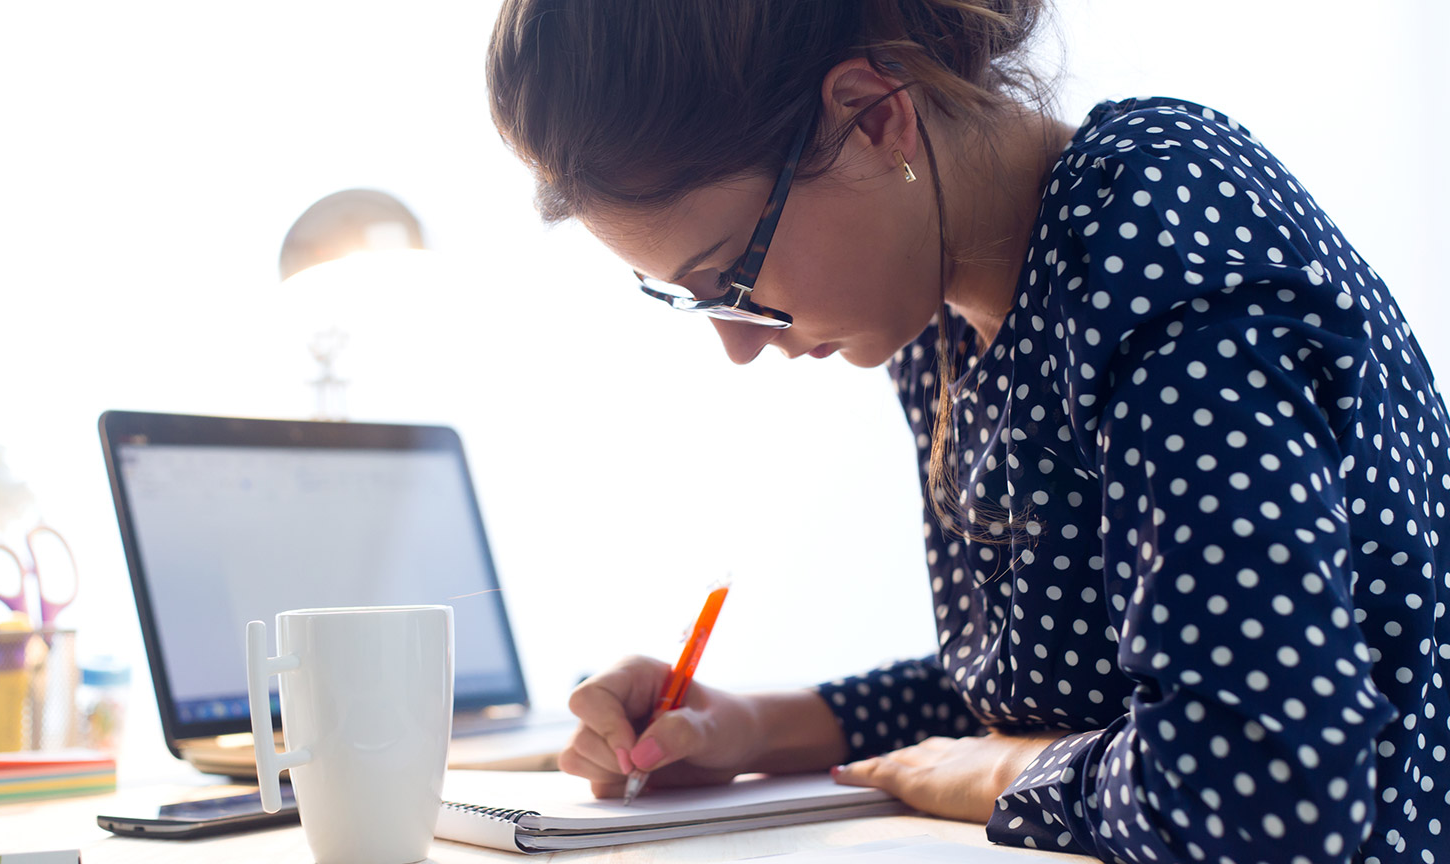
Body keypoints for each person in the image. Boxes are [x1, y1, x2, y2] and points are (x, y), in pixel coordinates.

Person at [485, 2, 1449, 861]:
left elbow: (1273, 788)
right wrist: (749, 727)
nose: (738, 347)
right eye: (690, 303)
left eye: (732, 278)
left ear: (873, 116)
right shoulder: (939, 321)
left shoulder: (1158, 232)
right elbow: (1053, 691)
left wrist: (997, 777)